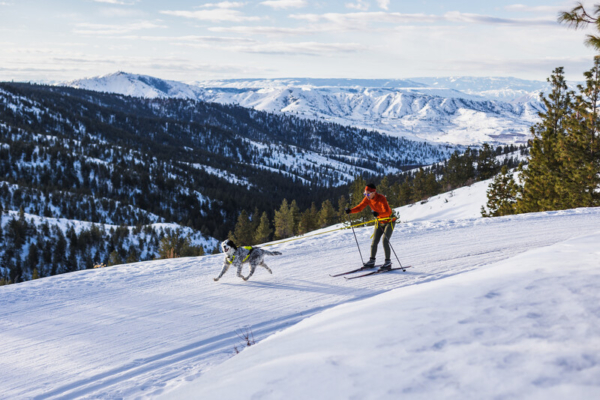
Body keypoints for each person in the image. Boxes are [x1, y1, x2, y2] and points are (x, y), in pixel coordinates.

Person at [345, 183, 396, 270]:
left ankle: (388, 263)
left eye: (368, 194)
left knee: (385, 241)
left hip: (389, 221)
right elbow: (360, 207)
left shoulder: (381, 198)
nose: (366, 196)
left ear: (374, 192)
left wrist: (378, 213)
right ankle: (371, 261)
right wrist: (350, 211)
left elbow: (387, 212)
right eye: (365, 193)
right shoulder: (367, 199)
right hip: (379, 222)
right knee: (374, 241)